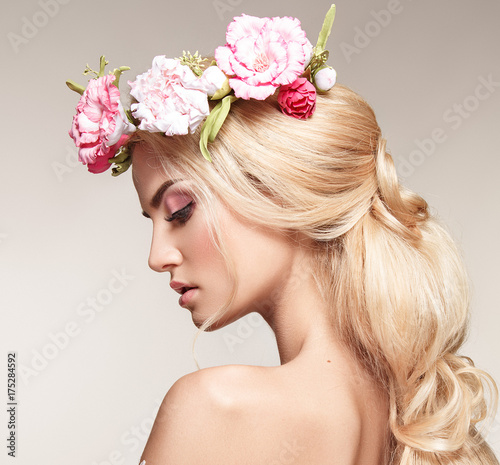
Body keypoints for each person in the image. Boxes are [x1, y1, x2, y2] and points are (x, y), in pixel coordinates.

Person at [67, 6, 498, 465]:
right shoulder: (412, 424)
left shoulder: (214, 410)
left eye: (180, 211)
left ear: (278, 194)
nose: (156, 256)